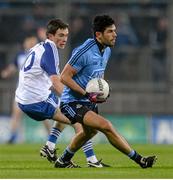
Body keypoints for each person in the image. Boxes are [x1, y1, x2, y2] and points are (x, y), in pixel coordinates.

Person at [53, 14, 157, 168]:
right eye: (110, 31)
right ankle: (140, 160)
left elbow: (98, 76)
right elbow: (64, 77)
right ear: (98, 35)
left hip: (88, 101)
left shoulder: (106, 50)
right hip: (72, 102)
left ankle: (63, 160)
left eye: (115, 31)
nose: (115, 34)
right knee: (106, 126)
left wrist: (102, 90)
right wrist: (85, 93)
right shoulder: (84, 51)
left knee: (90, 133)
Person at [15, 18, 108, 168]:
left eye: (66, 35)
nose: (64, 39)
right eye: (60, 35)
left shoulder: (40, 47)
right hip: (36, 100)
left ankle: (50, 146)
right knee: (79, 121)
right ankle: (92, 160)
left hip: (26, 98)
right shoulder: (50, 49)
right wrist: (73, 100)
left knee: (65, 109)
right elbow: (55, 81)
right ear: (50, 36)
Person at [1, 35, 50, 143]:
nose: (31, 44)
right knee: (16, 113)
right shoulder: (20, 56)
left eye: (33, 42)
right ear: (25, 43)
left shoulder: (40, 55)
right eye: (29, 42)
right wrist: (5, 73)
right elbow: (12, 68)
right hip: (22, 91)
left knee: (44, 114)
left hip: (37, 91)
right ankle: (12, 136)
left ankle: (50, 137)